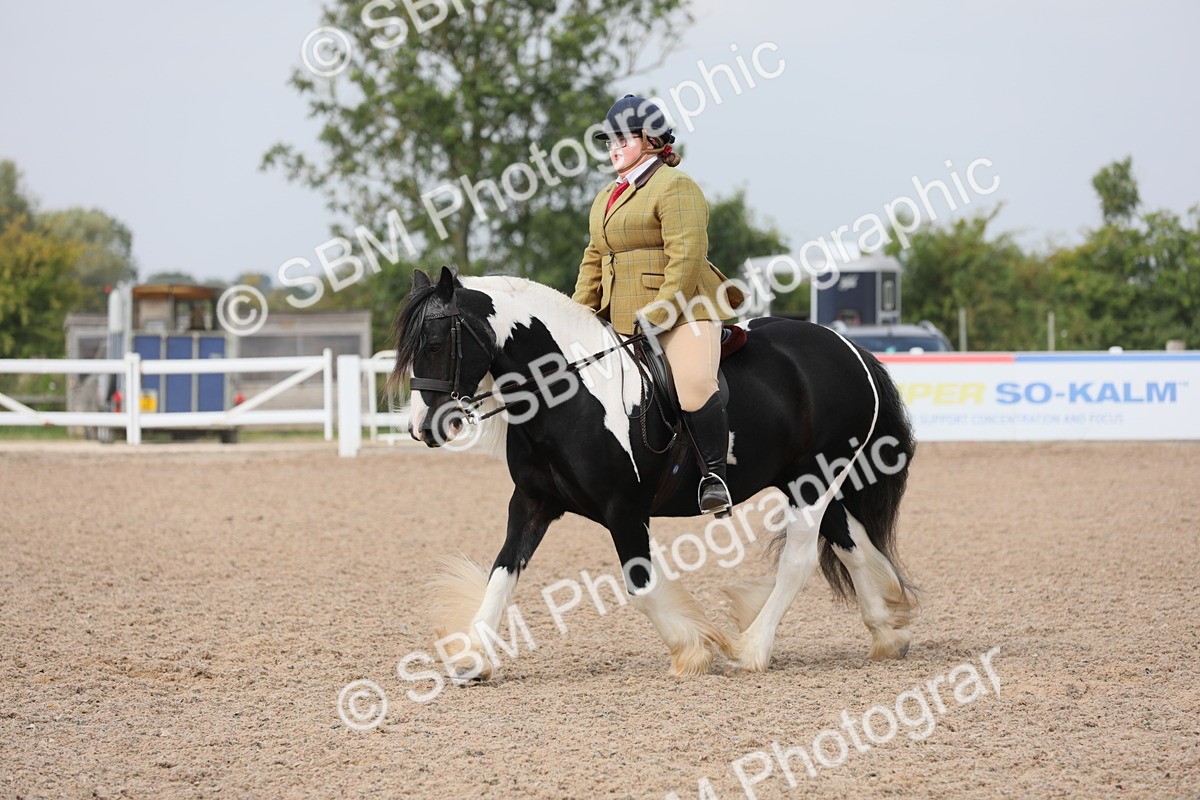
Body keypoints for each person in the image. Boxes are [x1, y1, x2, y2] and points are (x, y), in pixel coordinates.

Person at [572, 94, 745, 516]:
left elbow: (686, 255)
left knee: (691, 383)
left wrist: (663, 312)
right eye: (607, 141)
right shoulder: (606, 197)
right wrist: (575, 313)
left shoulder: (675, 187)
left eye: (621, 139)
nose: (613, 147)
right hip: (621, 313)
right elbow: (594, 258)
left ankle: (715, 478)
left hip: (684, 309)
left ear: (650, 140)